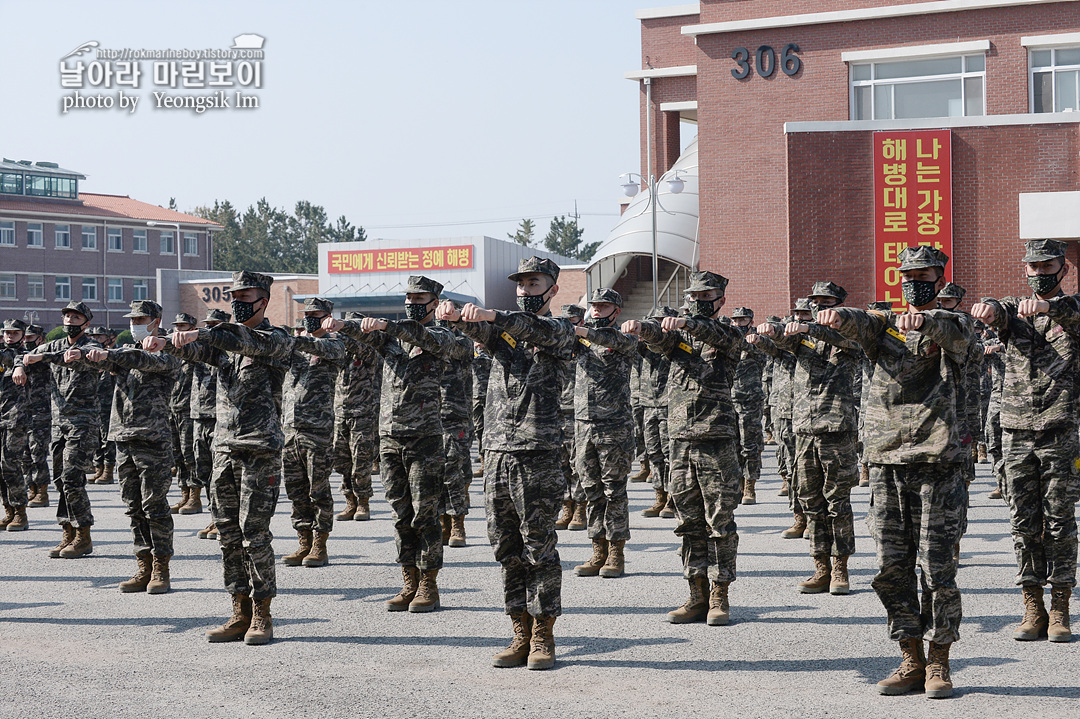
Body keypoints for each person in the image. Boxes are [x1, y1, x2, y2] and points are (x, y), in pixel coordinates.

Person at [817, 245, 970, 699]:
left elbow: (955, 333)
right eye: (907, 273)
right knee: (890, 567)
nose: (914, 280)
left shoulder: (954, 322)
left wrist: (926, 320)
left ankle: (940, 659)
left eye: (924, 273)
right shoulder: (882, 327)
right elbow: (863, 322)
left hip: (938, 463)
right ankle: (910, 655)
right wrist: (839, 317)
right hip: (886, 462)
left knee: (938, 568)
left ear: (939, 278)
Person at [438, 256, 576, 670]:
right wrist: (454, 316)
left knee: (539, 547)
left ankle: (543, 634)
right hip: (498, 452)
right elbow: (481, 331)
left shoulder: (561, 331)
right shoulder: (504, 334)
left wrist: (494, 314)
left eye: (534, 285)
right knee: (506, 547)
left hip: (539, 454)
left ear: (552, 290)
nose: (525, 290)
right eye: (521, 285)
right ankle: (518, 629)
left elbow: (529, 328)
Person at [156, 271, 294, 645]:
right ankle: (239, 610)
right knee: (228, 535)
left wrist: (201, 332)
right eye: (234, 295)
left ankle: (262, 613)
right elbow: (197, 350)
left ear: (263, 300)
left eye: (244, 296)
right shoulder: (225, 346)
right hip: (224, 449)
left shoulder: (276, 338)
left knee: (254, 534)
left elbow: (240, 340)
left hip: (259, 450)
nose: (236, 301)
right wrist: (167, 343)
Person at [324, 276, 463, 614]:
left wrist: (386, 324)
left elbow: (417, 334)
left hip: (425, 439)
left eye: (420, 298)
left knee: (425, 514)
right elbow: (364, 335)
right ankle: (409, 580)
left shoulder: (440, 336)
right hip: (390, 437)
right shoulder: (391, 341)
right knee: (401, 515)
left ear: (434, 303)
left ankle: (429, 583)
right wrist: (344, 324)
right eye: (409, 297)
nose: (413, 303)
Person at [971, 238, 1080, 645]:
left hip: (1060, 429)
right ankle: (1031, 603)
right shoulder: (1014, 311)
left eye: (1046, 266)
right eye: (1032, 267)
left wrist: (1050, 307)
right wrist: (990, 307)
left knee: (1060, 521)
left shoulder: (1071, 309)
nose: (1039, 273)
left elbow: (1072, 312)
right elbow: (994, 310)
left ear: (1062, 270)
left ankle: (1061, 606)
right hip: (1016, 430)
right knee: (1023, 521)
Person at [622, 270, 744, 627]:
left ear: (720, 300)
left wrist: (689, 324)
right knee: (688, 522)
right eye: (693, 296)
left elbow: (714, 334)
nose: (698, 301)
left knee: (719, 521)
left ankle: (720, 594)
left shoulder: (729, 335)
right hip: (680, 441)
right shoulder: (679, 339)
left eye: (707, 297)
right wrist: (643, 329)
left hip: (717, 440)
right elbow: (660, 339)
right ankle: (696, 594)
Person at [753, 281, 860, 595]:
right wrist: (767, 336)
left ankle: (840, 568)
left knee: (837, 503)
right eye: (817, 302)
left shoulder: (849, 336)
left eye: (827, 302)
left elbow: (847, 341)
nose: (821, 307)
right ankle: (821, 567)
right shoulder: (802, 341)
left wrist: (811, 329)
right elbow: (778, 346)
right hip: (804, 430)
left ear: (839, 304)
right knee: (811, 502)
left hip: (836, 430)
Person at [86, 300, 181, 593]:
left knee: (155, 505)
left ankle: (161, 568)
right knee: (133, 506)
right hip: (123, 437)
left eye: (141, 318)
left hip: (152, 438)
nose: (134, 323)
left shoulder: (169, 349)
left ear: (156, 320)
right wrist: (90, 355)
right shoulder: (126, 352)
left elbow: (142, 361)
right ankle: (144, 565)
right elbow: (103, 361)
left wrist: (111, 353)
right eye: (132, 319)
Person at [14, 301, 103, 559]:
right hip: (59, 422)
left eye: (76, 317)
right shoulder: (54, 345)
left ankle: (83, 534)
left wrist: (40, 357)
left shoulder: (91, 347)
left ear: (86, 323)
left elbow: (80, 357)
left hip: (83, 422)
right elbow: (25, 354)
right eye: (67, 316)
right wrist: (21, 365)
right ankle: (67, 530)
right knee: (60, 479)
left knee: (74, 476)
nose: (70, 321)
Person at [570, 288, 635, 579]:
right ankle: (598, 549)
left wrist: (580, 331)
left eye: (603, 305)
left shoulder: (623, 338)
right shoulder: (580, 340)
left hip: (614, 426)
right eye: (594, 305)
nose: (596, 309)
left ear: (616, 311)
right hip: (583, 425)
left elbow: (608, 339)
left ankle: (616, 553)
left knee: (614, 490)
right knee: (592, 490)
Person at [280, 298, 346, 568]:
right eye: (306, 314)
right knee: (296, 489)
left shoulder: (334, 344)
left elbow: (319, 346)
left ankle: (320, 543)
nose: (309, 318)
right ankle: (303, 540)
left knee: (318, 489)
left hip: (316, 429)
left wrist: (293, 340)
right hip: (290, 429)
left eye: (315, 314)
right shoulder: (296, 348)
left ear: (327, 316)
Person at [333, 311, 381, 523]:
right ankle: (349, 500)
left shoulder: (370, 350)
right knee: (341, 460)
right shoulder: (339, 352)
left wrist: (341, 332)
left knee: (361, 460)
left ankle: (363, 502)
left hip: (363, 414)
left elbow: (362, 348)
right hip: (339, 414)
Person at [190, 309, 229, 540]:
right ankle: (214, 516)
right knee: (204, 472)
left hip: (219, 419)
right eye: (208, 325)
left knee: (220, 475)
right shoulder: (200, 352)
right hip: (199, 417)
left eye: (216, 325)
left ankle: (223, 520)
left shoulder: (228, 353)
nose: (210, 329)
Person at [639, 306, 677, 519]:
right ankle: (659, 497)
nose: (658, 325)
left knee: (670, 455)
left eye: (663, 320)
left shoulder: (673, 343)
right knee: (654, 453)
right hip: (648, 403)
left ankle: (672, 499)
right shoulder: (643, 345)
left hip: (669, 404)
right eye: (655, 321)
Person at [554, 304, 586, 532]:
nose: (569, 326)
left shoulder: (587, 345)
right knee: (561, 463)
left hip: (579, 412)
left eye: (573, 322)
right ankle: (567, 505)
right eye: (565, 322)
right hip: (557, 411)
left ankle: (580, 507)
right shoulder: (556, 346)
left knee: (578, 463)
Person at [730, 307, 766, 505]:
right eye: (735, 320)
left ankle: (750, 485)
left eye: (742, 320)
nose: (738, 324)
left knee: (749, 445)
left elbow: (761, 354)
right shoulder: (728, 341)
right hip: (729, 399)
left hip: (750, 400)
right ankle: (738, 484)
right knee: (733, 444)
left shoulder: (757, 341)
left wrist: (750, 342)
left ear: (750, 322)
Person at [169, 313, 201, 514]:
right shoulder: (171, 353)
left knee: (191, 455)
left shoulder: (197, 353)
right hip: (173, 409)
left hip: (190, 410)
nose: (180, 330)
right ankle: (184, 494)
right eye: (177, 326)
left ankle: (195, 497)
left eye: (184, 326)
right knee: (178, 455)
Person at [0, 319, 30, 532]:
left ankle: (20, 512)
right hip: (1, 415)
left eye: (14, 333)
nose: (10, 336)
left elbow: (15, 359)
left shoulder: (25, 355)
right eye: (7, 333)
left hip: (17, 417)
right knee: (1, 468)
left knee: (10, 464)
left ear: (22, 334)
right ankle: (8, 510)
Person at [22, 324, 52, 509]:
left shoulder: (46, 358)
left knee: (38, 452)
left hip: (41, 411)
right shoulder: (21, 357)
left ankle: (42, 490)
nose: (26, 341)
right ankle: (31, 487)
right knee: (25, 453)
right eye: (25, 338)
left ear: (40, 339)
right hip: (23, 411)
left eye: (30, 338)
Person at [87, 326, 117, 485]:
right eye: (94, 337)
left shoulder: (112, 360)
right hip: (94, 407)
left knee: (107, 439)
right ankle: (98, 468)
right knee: (96, 439)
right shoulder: (89, 362)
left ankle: (108, 470)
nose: (96, 340)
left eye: (100, 337)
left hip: (108, 407)